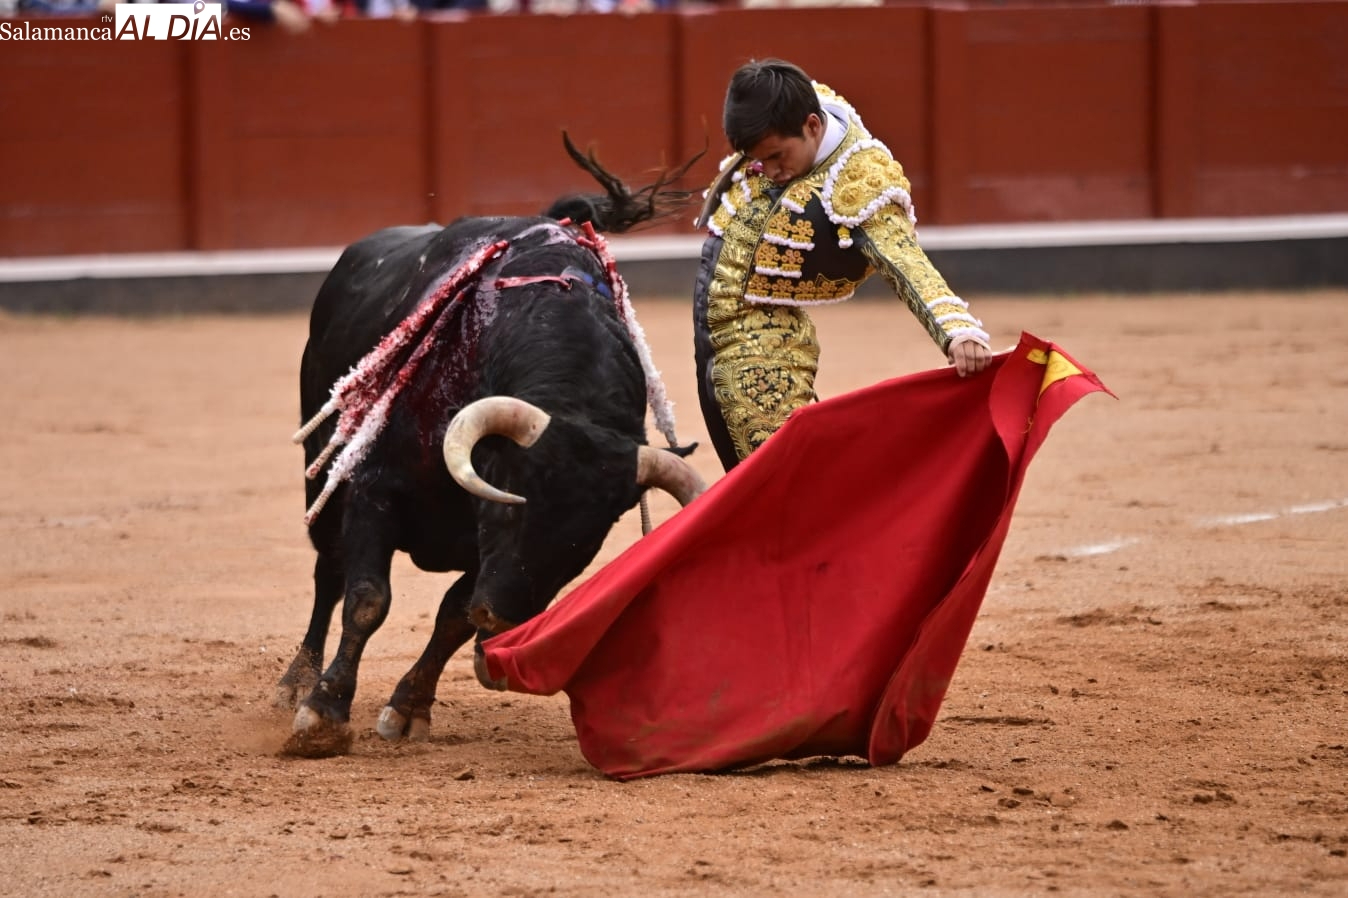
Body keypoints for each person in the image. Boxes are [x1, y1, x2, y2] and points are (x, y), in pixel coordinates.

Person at [692, 58, 992, 472]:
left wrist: (957, 330)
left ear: (813, 126)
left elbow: (904, 258)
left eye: (777, 156)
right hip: (718, 323)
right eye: (758, 161)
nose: (770, 171)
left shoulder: (859, 179)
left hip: (764, 338)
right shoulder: (791, 106)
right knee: (753, 472)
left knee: (775, 477)